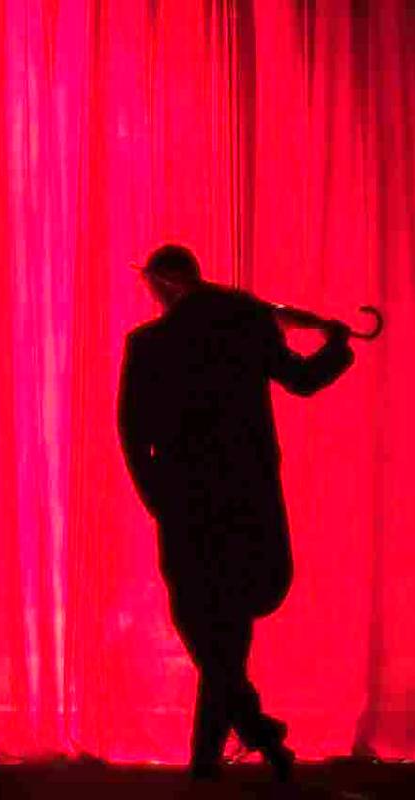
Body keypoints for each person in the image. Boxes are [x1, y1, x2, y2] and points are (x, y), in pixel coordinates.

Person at [117, 244, 355, 781]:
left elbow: (132, 434)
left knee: (205, 626)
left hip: (187, 506)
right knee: (226, 630)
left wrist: (159, 500)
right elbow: (302, 379)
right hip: (246, 501)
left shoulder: (150, 344)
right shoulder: (246, 323)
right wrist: (337, 347)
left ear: (159, 285)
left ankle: (230, 745)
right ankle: (249, 738)